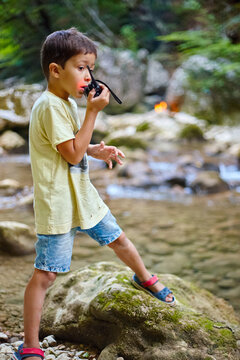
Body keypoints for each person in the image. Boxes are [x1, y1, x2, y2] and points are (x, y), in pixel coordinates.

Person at [12, 28, 175, 360]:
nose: (88, 75)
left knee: (119, 239)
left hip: (82, 197)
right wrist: (93, 112)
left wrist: (97, 152)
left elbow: (71, 149)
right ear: (56, 70)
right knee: (45, 274)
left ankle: (145, 278)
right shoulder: (50, 107)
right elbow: (71, 154)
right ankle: (29, 344)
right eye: (81, 67)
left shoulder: (67, 102)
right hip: (59, 203)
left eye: (90, 68)